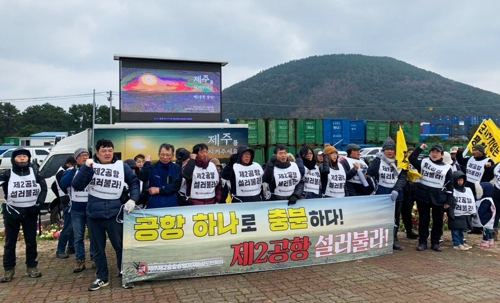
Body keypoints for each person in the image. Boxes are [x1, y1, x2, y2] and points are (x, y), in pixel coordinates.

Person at [72, 139, 139, 291]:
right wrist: (85, 168)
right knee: (97, 248)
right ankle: (102, 277)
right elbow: (77, 185)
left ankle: (125, 274)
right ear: (97, 153)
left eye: (110, 150)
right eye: (103, 150)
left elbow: (134, 182)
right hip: (94, 215)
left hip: (115, 214)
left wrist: (133, 199)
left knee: (121, 246)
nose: (107, 153)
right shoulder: (91, 166)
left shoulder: (121, 166)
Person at [0, 148, 47, 282]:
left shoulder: (35, 172)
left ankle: (31, 267)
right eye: (19, 156)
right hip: (12, 213)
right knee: (10, 242)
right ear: (13, 159)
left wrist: (38, 204)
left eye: (24, 157)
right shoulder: (8, 174)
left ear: (28, 158)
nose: (22, 158)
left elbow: (43, 188)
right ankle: (9, 269)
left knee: (31, 241)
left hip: (30, 212)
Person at [409, 144, 453, 252]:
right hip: (423, 195)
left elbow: (450, 186)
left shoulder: (447, 168)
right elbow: (411, 158)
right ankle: (422, 242)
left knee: (438, 221)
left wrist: (448, 200)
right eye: (432, 152)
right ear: (429, 153)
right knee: (424, 220)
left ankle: (435, 243)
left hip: (438, 197)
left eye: (437, 152)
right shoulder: (424, 162)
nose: (434, 154)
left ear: (442, 155)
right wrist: (420, 148)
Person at [367, 138, 407, 250]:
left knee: (395, 219)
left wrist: (397, 190)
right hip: (381, 193)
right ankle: (378, 240)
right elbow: (370, 172)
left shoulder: (400, 162)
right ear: (383, 150)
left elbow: (403, 178)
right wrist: (376, 160)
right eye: (387, 149)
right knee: (379, 218)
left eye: (392, 149)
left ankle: (393, 239)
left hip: (395, 194)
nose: (390, 152)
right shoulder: (379, 161)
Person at [60, 147, 94, 273]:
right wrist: (74, 170)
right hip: (76, 209)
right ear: (76, 158)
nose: (85, 157)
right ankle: (80, 260)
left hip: (91, 207)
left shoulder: (93, 169)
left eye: (87, 155)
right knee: (78, 237)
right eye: (82, 155)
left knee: (93, 236)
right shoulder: (70, 171)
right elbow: (63, 184)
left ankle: (94, 258)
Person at [141, 143, 182, 208]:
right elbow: (143, 178)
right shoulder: (152, 167)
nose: (165, 157)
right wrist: (147, 163)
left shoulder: (176, 168)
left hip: (171, 203)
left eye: (168, 155)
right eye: (162, 154)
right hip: (154, 203)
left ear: (173, 155)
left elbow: (176, 186)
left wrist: (158, 190)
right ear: (158, 154)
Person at [55, 156, 77, 259]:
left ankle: (71, 247)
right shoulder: (62, 172)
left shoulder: (62, 170)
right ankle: (60, 250)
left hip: (68, 199)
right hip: (67, 200)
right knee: (67, 226)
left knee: (72, 226)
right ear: (69, 164)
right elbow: (62, 185)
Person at [448, 171, 475, 251]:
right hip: (455, 214)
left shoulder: (467, 190)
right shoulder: (452, 190)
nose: (460, 182)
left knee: (461, 229)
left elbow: (472, 201)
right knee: (455, 230)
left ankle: (461, 242)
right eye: (458, 180)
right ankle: (456, 243)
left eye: (462, 180)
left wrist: (472, 212)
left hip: (464, 214)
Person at [401, 147, 419, 239]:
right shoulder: (403, 163)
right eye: (409, 153)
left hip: (417, 187)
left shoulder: (419, 163)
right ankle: (408, 230)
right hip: (406, 187)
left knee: (413, 210)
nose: (411, 154)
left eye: (413, 153)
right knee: (406, 210)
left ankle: (411, 230)